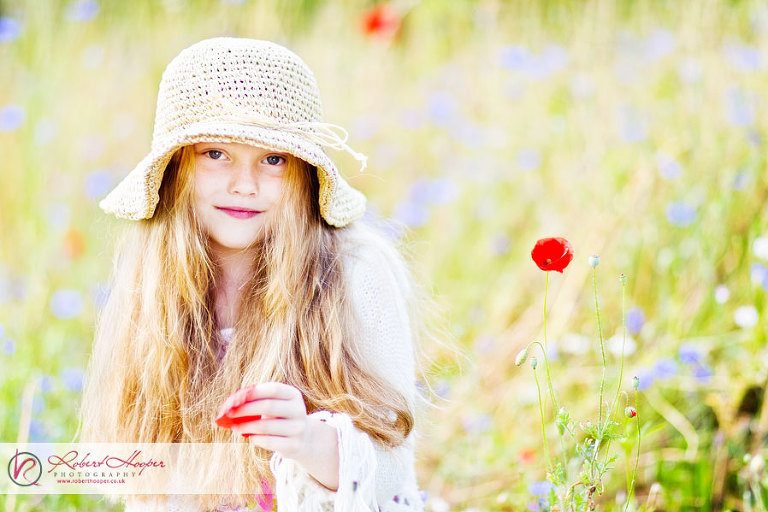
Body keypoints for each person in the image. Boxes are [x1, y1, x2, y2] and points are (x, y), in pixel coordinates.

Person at [77, 37, 435, 512]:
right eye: (215, 154)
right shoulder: (153, 276)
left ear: (304, 173)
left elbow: (393, 476)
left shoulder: (355, 272)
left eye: (273, 160)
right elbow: (146, 476)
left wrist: (308, 442)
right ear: (176, 169)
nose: (243, 185)